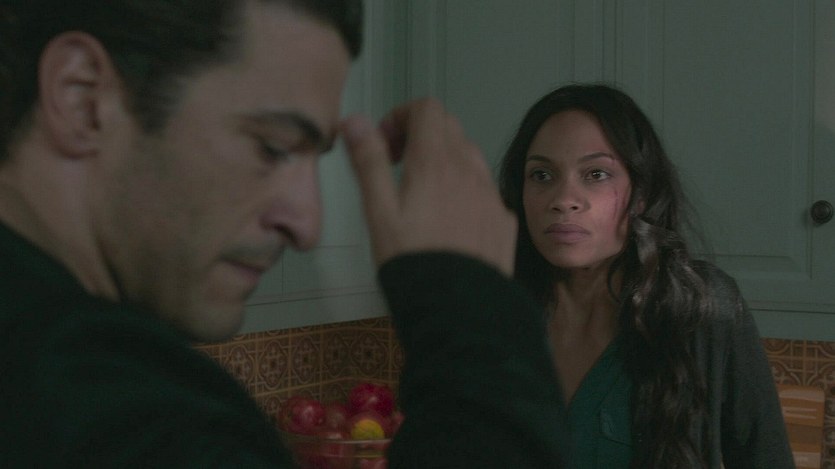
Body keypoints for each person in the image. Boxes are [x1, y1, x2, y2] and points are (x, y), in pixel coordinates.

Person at [0, 1, 568, 467]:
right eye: (271, 147)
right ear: (83, 98)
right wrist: (472, 313)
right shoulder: (111, 415)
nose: (307, 226)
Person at [498, 83, 794, 468]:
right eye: (541, 174)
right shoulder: (490, 313)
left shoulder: (702, 308)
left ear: (640, 194)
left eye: (596, 174)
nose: (563, 199)